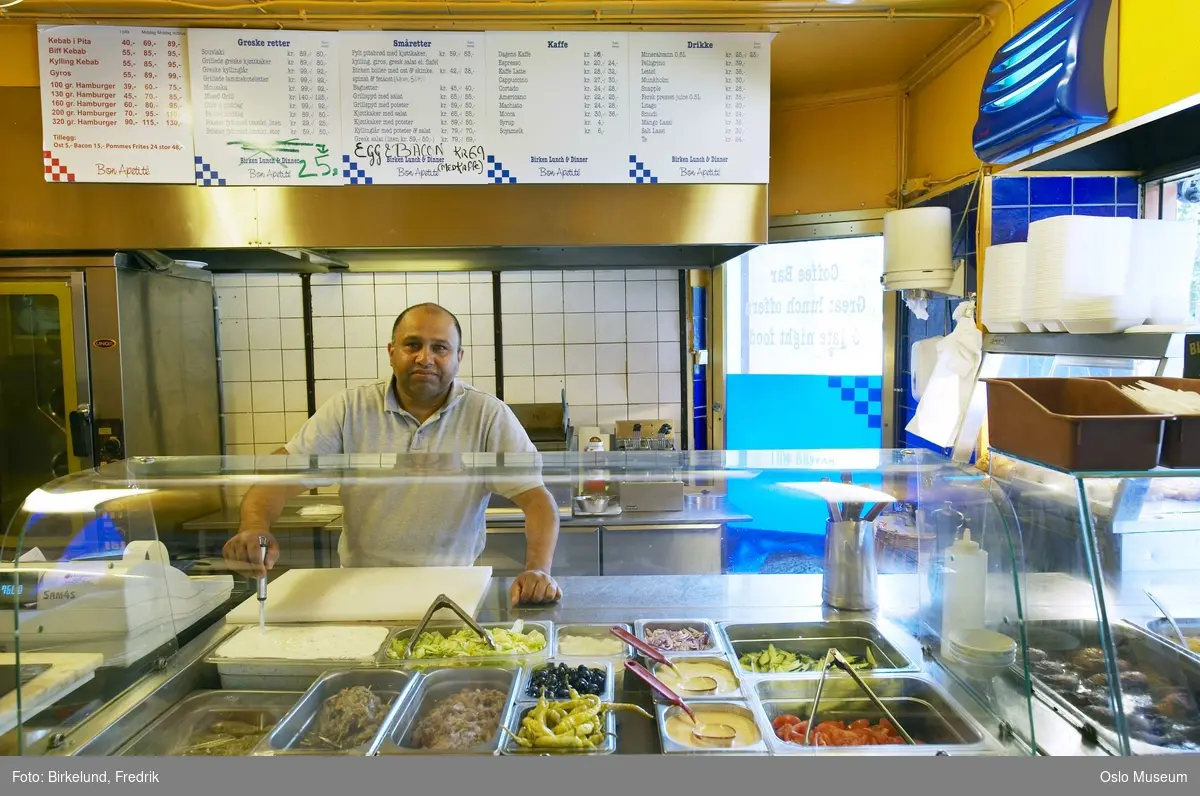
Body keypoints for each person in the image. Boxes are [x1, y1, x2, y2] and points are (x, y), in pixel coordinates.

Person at [223, 302, 562, 606]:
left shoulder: (488, 414)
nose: (425, 358)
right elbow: (278, 476)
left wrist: (538, 570)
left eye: (440, 348)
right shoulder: (349, 408)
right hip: (360, 586)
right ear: (391, 352)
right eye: (412, 345)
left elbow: (537, 500)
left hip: (453, 587)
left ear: (459, 357)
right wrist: (254, 526)